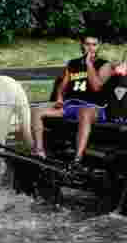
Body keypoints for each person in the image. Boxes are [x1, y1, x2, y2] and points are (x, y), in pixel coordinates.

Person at [32, 35, 118, 164]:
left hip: (94, 107)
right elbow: (63, 85)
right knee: (37, 110)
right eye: (87, 44)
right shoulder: (73, 63)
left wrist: (89, 64)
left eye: (94, 44)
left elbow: (96, 86)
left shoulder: (105, 65)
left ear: (98, 46)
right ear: (82, 46)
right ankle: (39, 152)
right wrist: (60, 98)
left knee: (84, 112)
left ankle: (77, 159)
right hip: (70, 105)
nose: (90, 48)